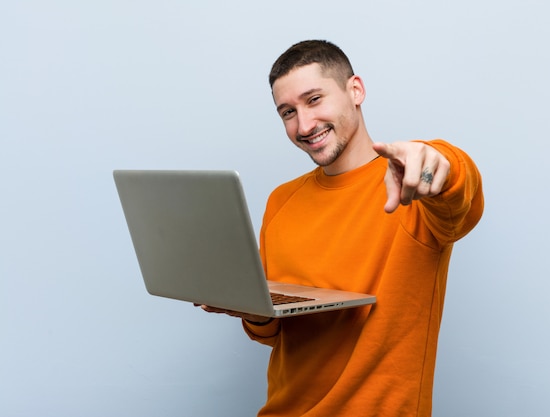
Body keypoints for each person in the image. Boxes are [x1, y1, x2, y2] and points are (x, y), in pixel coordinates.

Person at [199, 40, 484, 417]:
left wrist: (435, 158)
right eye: (288, 112)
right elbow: (273, 333)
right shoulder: (281, 200)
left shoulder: (411, 187)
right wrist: (249, 308)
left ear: (356, 90)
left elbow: (459, 190)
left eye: (314, 99)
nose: (304, 125)